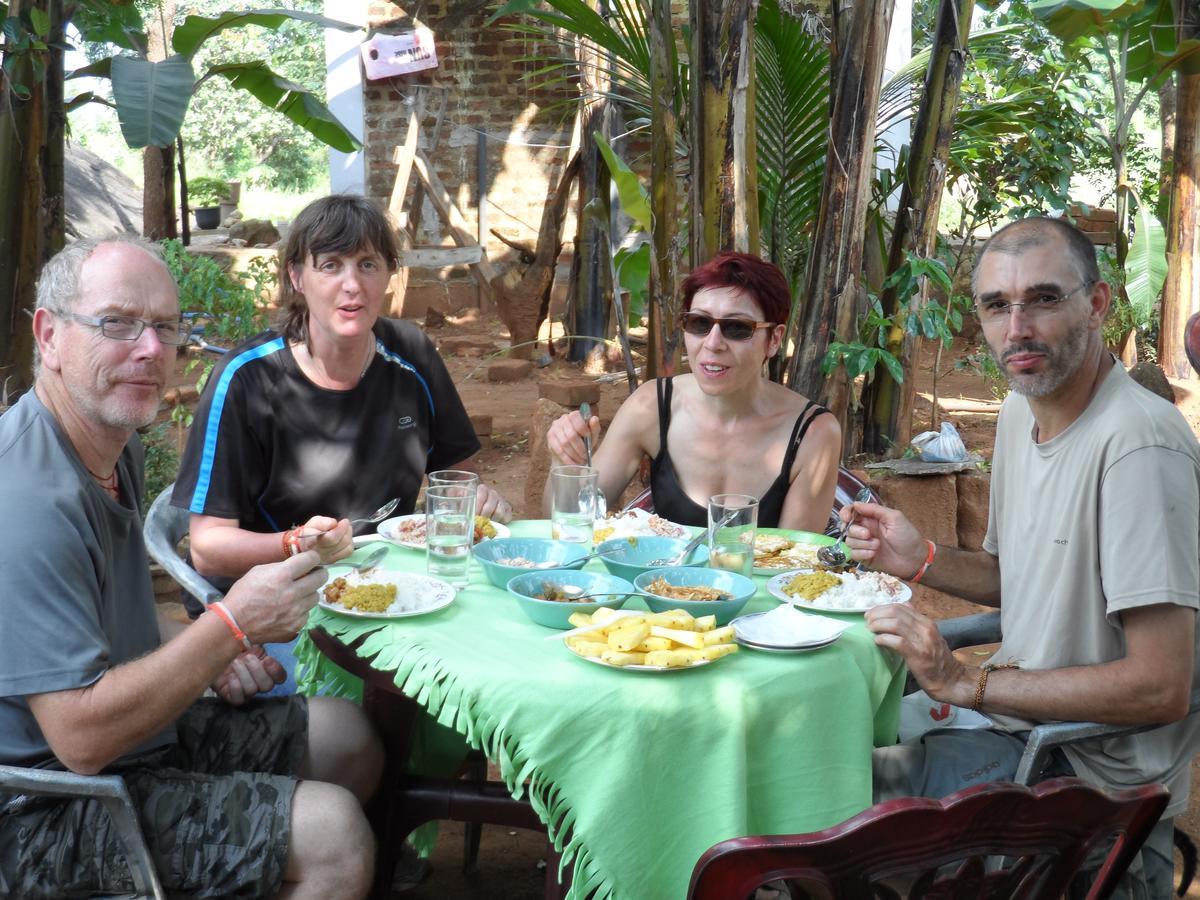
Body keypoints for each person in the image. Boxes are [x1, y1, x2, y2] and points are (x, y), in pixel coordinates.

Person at [0, 237, 383, 899]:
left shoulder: (106, 447)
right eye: (117, 323)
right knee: (336, 837)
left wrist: (204, 653)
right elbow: (81, 738)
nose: (151, 350)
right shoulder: (29, 499)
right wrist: (227, 629)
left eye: (166, 327)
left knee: (350, 738)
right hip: (42, 810)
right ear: (50, 335)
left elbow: (107, 625)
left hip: (129, 748)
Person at [842, 216, 1200, 898]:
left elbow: (1160, 686)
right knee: (819, 747)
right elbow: (1022, 583)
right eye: (997, 306)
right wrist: (919, 559)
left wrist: (963, 682)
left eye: (1042, 298)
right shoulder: (1019, 410)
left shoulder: (1137, 449)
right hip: (1015, 725)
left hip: (1081, 782)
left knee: (831, 791)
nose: (1018, 328)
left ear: (1095, 305)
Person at [171, 194, 512, 613]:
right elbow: (209, 548)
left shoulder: (412, 354)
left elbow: (458, 481)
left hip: (383, 586)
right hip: (269, 603)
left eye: (367, 264)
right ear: (297, 276)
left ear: (389, 274)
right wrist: (297, 543)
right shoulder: (246, 380)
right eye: (330, 265)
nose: (352, 285)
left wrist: (481, 501)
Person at [546, 252, 841, 532]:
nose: (713, 343)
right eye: (699, 323)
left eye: (737, 328)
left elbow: (795, 568)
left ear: (774, 339)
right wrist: (566, 464)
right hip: (658, 584)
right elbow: (566, 522)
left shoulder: (813, 433)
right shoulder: (652, 405)